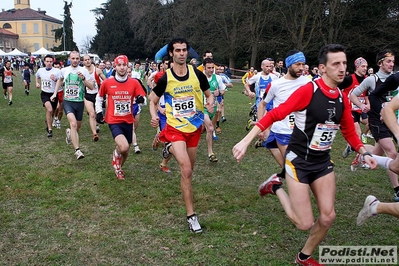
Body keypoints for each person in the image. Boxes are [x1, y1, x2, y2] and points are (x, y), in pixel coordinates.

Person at [232, 44, 377, 265]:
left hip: (322, 162)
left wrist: (364, 151)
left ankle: (303, 256)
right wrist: (246, 139)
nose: (342, 68)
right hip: (298, 161)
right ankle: (275, 186)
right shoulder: (309, 90)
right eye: (335, 64)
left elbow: (348, 129)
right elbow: (274, 114)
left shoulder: (340, 96)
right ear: (322, 68)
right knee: (303, 223)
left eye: (344, 64)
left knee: (328, 217)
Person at [149, 37, 213, 233]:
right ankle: (191, 216)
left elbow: (209, 94)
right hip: (175, 128)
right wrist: (153, 116)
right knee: (185, 169)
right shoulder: (165, 78)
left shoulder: (197, 74)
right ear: (171, 54)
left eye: (184, 50)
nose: (182, 53)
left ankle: (169, 148)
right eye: (177, 50)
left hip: (194, 129)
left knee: (189, 171)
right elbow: (152, 100)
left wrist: (210, 103)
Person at [349, 50, 399, 201]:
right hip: (377, 122)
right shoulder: (372, 79)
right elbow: (353, 94)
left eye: (393, 62)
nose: (391, 64)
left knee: (378, 152)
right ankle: (397, 189)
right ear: (380, 63)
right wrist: (361, 106)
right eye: (388, 61)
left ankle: (360, 153)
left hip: (392, 121)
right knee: (392, 153)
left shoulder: (395, 78)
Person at [255, 50, 310, 167]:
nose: (301, 68)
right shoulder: (276, 84)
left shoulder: (308, 82)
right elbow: (262, 105)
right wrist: (262, 127)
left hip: (302, 131)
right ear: (288, 65)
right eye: (297, 64)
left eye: (303, 64)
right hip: (282, 131)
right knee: (294, 169)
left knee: (292, 170)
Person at [95, 55, 146, 180]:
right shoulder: (108, 82)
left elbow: (144, 99)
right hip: (114, 120)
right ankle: (117, 160)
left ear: (128, 66)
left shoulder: (134, 82)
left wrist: (140, 99)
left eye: (124, 65)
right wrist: (98, 112)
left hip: (128, 120)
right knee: (124, 147)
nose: (122, 68)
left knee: (125, 151)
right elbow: (99, 97)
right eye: (119, 65)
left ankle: (119, 167)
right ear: (115, 66)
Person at [50, 51, 94, 160]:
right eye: (73, 58)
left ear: (80, 60)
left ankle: (69, 133)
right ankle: (77, 150)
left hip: (79, 102)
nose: (75, 60)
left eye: (77, 58)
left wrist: (83, 79)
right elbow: (60, 81)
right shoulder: (64, 70)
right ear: (69, 59)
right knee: (73, 124)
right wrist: (55, 93)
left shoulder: (84, 70)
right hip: (68, 102)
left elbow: (91, 87)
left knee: (77, 127)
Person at [202, 58, 226, 161]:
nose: (211, 70)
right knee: (211, 128)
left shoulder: (217, 78)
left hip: (213, 107)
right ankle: (211, 152)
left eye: (213, 68)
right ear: (204, 68)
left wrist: (219, 93)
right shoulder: (199, 78)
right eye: (209, 68)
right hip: (202, 108)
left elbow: (223, 89)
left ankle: (209, 153)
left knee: (208, 131)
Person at [83, 54, 106, 142]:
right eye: (85, 60)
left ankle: (96, 124)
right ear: (83, 62)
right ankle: (94, 134)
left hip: (97, 94)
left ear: (91, 60)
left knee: (96, 112)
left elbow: (106, 81)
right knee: (92, 114)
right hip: (87, 95)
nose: (87, 61)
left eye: (88, 59)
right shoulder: (82, 71)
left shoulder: (97, 70)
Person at [35, 55, 60, 138]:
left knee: (52, 111)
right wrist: (37, 83)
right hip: (45, 93)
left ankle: (48, 122)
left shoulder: (56, 71)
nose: (49, 63)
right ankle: (50, 130)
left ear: (52, 62)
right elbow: (37, 76)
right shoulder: (40, 70)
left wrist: (55, 79)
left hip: (53, 94)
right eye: (47, 61)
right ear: (44, 62)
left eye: (50, 61)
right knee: (49, 109)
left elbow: (61, 82)